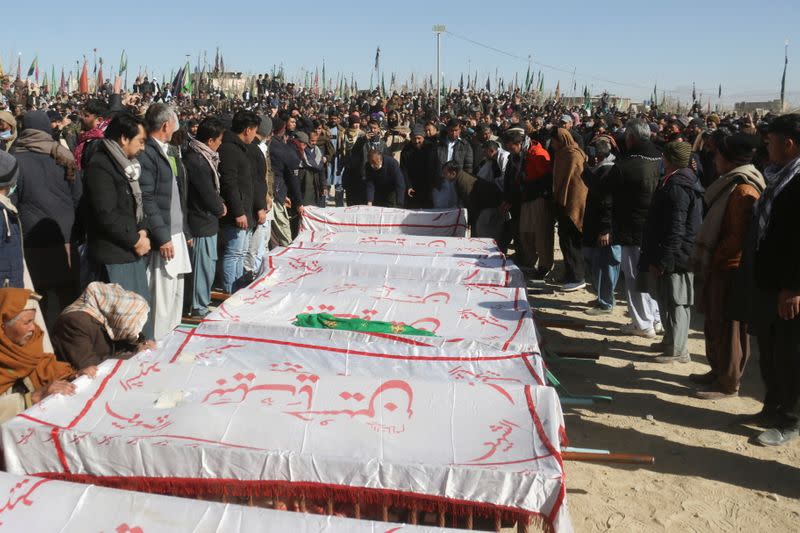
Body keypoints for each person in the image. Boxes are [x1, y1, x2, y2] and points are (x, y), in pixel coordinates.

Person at [691, 133, 765, 399]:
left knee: (730, 327)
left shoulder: (743, 189)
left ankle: (728, 382)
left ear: (730, 160)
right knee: (714, 323)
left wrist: (716, 256)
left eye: (719, 155)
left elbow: (738, 237)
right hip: (720, 267)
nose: (715, 159)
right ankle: (717, 371)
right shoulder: (729, 184)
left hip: (730, 270)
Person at [747, 114, 800, 446]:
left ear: (789, 144)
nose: (766, 146)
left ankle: (790, 418)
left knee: (790, 354)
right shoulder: (779, 176)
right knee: (767, 349)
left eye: (771, 141)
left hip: (790, 287)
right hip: (769, 281)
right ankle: (772, 405)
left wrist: (795, 288)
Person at [11, 110, 81, 331]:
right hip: (65, 239)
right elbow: (78, 195)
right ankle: (70, 344)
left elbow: (12, 201)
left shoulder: (15, 160)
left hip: (32, 241)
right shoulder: (64, 156)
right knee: (68, 298)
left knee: (38, 299)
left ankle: (44, 345)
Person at [83, 113, 152, 338]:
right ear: (124, 138)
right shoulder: (100, 165)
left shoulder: (127, 165)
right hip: (113, 255)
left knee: (137, 321)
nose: (143, 147)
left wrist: (142, 229)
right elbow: (106, 213)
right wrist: (134, 239)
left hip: (131, 251)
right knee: (119, 325)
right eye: (140, 141)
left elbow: (136, 204)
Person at [639, 141, 703, 363]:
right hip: (669, 253)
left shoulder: (679, 186)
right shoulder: (673, 181)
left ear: (670, 159)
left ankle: (678, 350)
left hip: (677, 255)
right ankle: (669, 341)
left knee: (677, 302)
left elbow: (677, 227)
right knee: (666, 299)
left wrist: (666, 259)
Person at [601, 118, 662, 337]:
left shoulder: (625, 166)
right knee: (651, 275)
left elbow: (606, 197)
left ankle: (642, 323)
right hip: (657, 229)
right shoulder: (662, 159)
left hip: (632, 229)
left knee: (635, 276)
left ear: (631, 138)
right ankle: (655, 319)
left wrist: (605, 226)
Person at [0, 288, 95, 424]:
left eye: (33, 321)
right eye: (27, 322)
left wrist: (74, 377)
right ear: (3, 327)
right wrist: (31, 398)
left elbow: (46, 366)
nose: (33, 328)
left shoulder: (28, 348)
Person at [139, 103, 191, 339]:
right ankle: (158, 341)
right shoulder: (148, 152)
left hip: (177, 233)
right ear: (166, 125)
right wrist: (162, 236)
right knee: (162, 294)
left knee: (176, 292)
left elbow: (177, 194)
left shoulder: (168, 151)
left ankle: (172, 337)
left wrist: (185, 231)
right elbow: (148, 199)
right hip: (165, 235)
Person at [52, 282, 152, 369]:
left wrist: (141, 345)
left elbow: (129, 333)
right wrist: (132, 355)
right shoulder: (73, 323)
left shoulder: (110, 316)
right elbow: (89, 367)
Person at [184, 117, 226, 317]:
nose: (220, 145)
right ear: (210, 141)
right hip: (200, 221)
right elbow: (206, 192)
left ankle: (201, 302)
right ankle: (198, 306)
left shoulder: (203, 157)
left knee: (208, 265)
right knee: (201, 267)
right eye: (218, 141)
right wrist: (220, 207)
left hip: (207, 221)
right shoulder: (196, 160)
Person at [218, 110, 260, 293]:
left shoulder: (241, 148)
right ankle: (229, 291)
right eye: (254, 130)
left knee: (241, 253)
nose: (255, 135)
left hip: (245, 210)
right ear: (247, 129)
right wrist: (238, 212)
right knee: (233, 253)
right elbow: (229, 184)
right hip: (236, 214)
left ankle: (237, 290)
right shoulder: (229, 149)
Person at [502, 128, 553, 278]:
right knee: (526, 233)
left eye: (511, 146)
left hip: (538, 199)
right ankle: (530, 262)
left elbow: (546, 181)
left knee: (541, 236)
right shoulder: (518, 156)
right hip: (525, 199)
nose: (509, 150)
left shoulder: (538, 154)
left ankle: (544, 266)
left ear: (518, 143)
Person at [581, 137, 620, 314]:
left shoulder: (608, 170)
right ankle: (602, 298)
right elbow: (590, 183)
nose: (593, 158)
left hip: (605, 228)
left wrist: (605, 229)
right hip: (596, 225)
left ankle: (606, 302)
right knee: (596, 263)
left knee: (607, 264)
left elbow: (608, 203)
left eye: (595, 155)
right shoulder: (600, 169)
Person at [550, 127, 588, 291]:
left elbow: (573, 180)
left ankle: (578, 277)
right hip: (562, 201)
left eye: (553, 141)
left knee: (572, 240)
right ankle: (569, 274)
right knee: (564, 240)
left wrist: (562, 197)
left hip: (573, 201)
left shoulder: (573, 154)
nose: (551, 144)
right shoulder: (561, 154)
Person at [244, 115, 273, 277]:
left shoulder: (261, 147)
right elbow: (258, 179)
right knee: (252, 246)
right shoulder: (255, 149)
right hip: (257, 203)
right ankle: (250, 274)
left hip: (262, 200)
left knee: (261, 242)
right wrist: (262, 202)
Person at [269, 116, 302, 247]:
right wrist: (298, 202)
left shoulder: (267, 146)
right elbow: (293, 179)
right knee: (285, 236)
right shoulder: (283, 150)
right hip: (275, 196)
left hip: (274, 194)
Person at [400, 123, 438, 209]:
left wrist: (433, 185)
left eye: (419, 138)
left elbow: (435, 167)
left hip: (428, 187)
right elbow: (404, 170)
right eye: (414, 138)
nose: (416, 141)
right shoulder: (406, 150)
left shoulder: (431, 148)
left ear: (423, 137)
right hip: (413, 188)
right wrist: (408, 185)